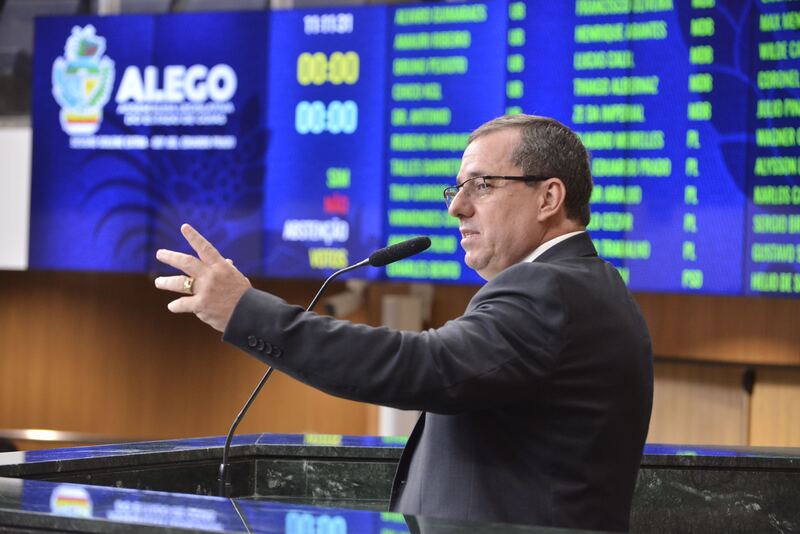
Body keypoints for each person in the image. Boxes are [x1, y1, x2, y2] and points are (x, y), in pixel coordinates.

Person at [154, 114, 653, 532]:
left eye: (482, 185)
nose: (457, 207)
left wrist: (245, 311)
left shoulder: (549, 289)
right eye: (456, 189)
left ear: (548, 198)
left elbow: (424, 366)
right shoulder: (589, 285)